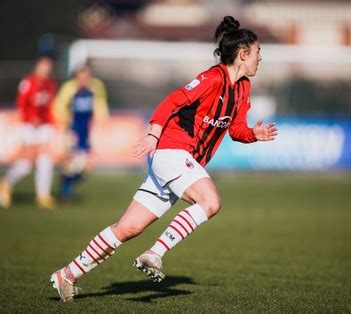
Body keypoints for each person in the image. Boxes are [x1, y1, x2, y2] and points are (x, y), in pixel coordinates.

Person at [50, 16, 278, 302]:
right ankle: (154, 253)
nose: (260, 58)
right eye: (258, 52)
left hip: (177, 160)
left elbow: (236, 129)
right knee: (210, 202)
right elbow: (172, 101)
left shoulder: (243, 88)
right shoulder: (211, 78)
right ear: (243, 54)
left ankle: (67, 274)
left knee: (127, 228)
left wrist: (253, 134)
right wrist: (152, 136)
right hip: (171, 151)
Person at [0, 56, 57, 209]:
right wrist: (31, 118)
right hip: (28, 126)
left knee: (45, 160)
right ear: (37, 67)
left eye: (48, 67)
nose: (45, 70)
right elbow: (21, 104)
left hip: (44, 125)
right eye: (43, 67)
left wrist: (52, 123)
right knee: (27, 163)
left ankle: (43, 195)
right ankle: (6, 183)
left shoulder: (50, 85)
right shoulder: (28, 82)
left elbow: (49, 107)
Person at [52, 64, 109, 201]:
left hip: (87, 132)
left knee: (87, 168)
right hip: (73, 132)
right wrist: (64, 121)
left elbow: (100, 103)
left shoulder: (96, 86)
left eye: (87, 76)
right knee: (74, 163)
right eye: (81, 77)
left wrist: (103, 118)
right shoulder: (69, 88)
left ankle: (65, 182)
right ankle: (65, 192)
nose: (84, 79)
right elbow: (58, 106)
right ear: (76, 77)